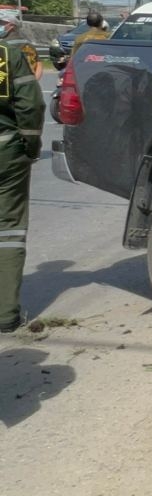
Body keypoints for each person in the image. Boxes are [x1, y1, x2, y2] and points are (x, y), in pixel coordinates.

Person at [0, 39, 45, 332]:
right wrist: (30, 145)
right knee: (9, 231)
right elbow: (31, 105)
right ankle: (6, 316)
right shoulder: (6, 55)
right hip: (6, 154)